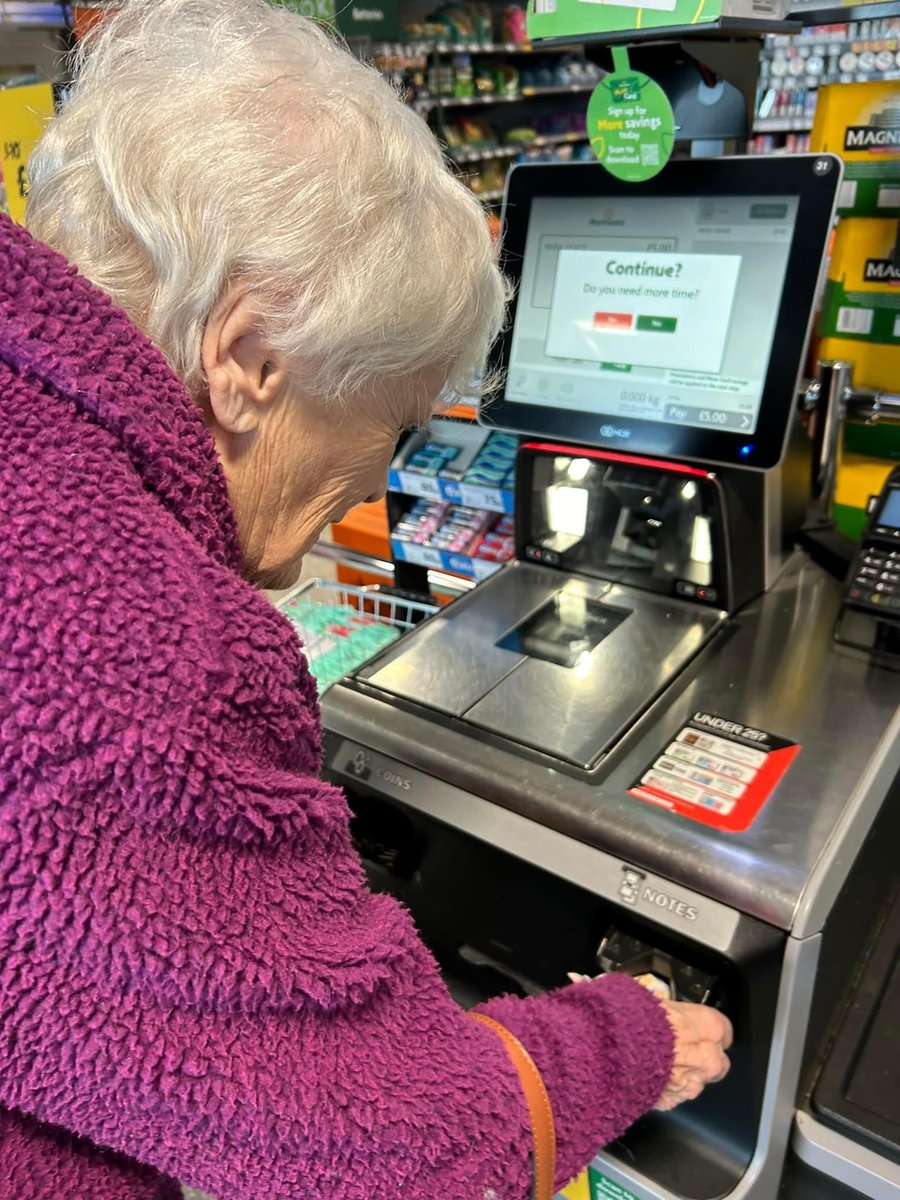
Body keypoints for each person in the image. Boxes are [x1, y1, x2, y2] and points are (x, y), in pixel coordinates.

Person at [0, 0, 733, 1196]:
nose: (366, 492)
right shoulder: (140, 661)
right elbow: (389, 1148)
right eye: (387, 426)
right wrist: (622, 1039)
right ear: (246, 360)